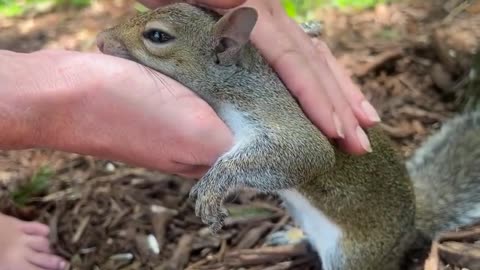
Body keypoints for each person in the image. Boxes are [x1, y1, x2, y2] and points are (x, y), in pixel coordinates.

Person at [0, 0, 381, 269]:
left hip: (356, 229)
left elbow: (310, 155)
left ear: (224, 47)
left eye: (156, 38)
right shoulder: (222, 84)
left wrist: (221, 176)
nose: (104, 40)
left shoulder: (257, 102)